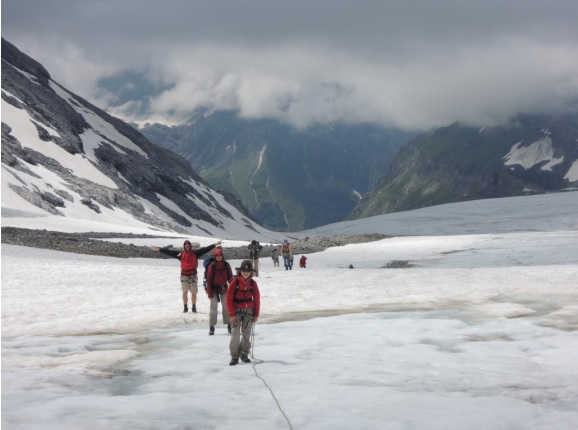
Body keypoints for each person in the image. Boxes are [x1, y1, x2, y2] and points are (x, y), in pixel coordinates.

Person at [151, 240, 221, 313]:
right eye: (185, 244)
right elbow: (169, 252)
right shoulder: (180, 254)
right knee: (185, 291)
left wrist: (214, 245)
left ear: (190, 245)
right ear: (184, 246)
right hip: (184, 275)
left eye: (188, 244)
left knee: (194, 292)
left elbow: (205, 249)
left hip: (193, 275)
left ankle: (194, 307)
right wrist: (159, 249)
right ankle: (185, 307)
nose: (187, 245)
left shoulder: (195, 253)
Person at [226, 260, 260, 366]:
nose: (245, 272)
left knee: (246, 334)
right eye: (244, 271)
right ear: (240, 271)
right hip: (236, 312)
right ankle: (234, 356)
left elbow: (257, 299)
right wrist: (231, 314)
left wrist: (256, 314)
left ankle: (244, 354)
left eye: (248, 271)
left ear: (251, 272)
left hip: (249, 312)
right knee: (235, 334)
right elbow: (228, 299)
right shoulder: (234, 283)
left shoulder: (253, 284)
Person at [206, 247, 233, 335]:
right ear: (214, 256)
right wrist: (209, 293)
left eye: (220, 255)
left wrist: (233, 288)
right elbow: (209, 281)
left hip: (224, 288)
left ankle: (229, 324)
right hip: (214, 290)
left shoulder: (226, 265)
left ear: (222, 255)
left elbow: (230, 278)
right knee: (213, 308)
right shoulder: (212, 266)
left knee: (226, 307)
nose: (219, 257)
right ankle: (212, 326)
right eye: (217, 255)